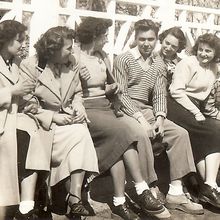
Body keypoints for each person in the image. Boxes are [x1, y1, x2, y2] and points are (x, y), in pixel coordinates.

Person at [76, 17, 169, 220]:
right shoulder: (76, 56)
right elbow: (71, 90)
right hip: (87, 109)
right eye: (105, 35)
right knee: (125, 132)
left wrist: (112, 88)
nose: (107, 40)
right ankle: (142, 188)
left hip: (106, 107)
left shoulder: (102, 56)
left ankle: (119, 201)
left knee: (121, 143)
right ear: (94, 36)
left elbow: (110, 86)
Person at [113, 19, 204, 215]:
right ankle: (148, 188)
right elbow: (121, 95)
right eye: (142, 39)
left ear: (156, 39)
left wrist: (160, 119)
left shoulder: (158, 63)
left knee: (179, 133)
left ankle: (176, 193)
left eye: (151, 39)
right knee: (142, 134)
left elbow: (159, 94)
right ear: (136, 38)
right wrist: (142, 120)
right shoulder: (123, 59)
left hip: (147, 110)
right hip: (125, 110)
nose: (146, 43)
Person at [19, 26, 99, 219]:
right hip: (41, 123)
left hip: (67, 119)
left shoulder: (71, 62)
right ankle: (72, 197)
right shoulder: (31, 66)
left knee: (81, 130)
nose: (72, 52)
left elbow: (78, 93)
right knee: (79, 134)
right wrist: (52, 116)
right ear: (52, 50)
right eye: (68, 48)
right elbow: (25, 101)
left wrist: (79, 107)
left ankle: (74, 197)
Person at [0, 20, 49, 220]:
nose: (22, 44)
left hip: (14, 116)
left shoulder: (16, 63)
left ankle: (26, 207)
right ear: (5, 39)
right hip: (3, 121)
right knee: (26, 140)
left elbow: (25, 93)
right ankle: (22, 207)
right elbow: (14, 90)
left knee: (36, 136)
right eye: (19, 40)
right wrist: (12, 91)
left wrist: (31, 103)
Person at [169, 33, 220, 208]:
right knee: (214, 131)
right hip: (177, 104)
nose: (203, 54)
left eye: (208, 51)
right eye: (201, 50)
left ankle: (207, 187)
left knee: (211, 130)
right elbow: (176, 91)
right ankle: (211, 185)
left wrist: (212, 113)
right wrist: (196, 112)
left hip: (195, 107)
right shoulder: (187, 63)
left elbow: (205, 98)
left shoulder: (214, 68)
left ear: (215, 53)